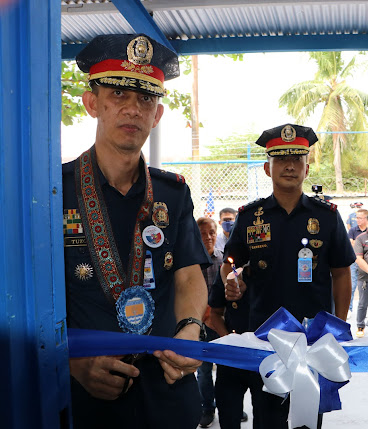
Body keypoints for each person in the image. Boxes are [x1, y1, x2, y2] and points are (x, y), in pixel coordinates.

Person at [63, 34, 210, 429]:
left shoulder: (172, 193)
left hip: (166, 390)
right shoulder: (53, 192)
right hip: (85, 397)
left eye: (146, 98)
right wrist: (72, 362)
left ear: (157, 114)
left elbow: (189, 273)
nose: (132, 108)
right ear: (92, 103)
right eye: (119, 94)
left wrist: (191, 330)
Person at [221, 123, 355, 429]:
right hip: (266, 338)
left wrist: (339, 328)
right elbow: (230, 264)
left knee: (309, 418)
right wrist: (231, 280)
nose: (290, 166)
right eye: (281, 159)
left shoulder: (327, 216)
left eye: (297, 159)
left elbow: (341, 273)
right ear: (267, 169)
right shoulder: (249, 216)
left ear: (307, 168)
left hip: (314, 340)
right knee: (266, 416)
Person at [208, 272, 259, 429]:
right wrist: (228, 338)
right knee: (228, 416)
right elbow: (214, 313)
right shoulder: (228, 273)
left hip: (263, 358)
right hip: (232, 359)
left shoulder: (271, 270)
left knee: (267, 418)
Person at [196, 217, 223, 428]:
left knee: (225, 368)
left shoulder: (223, 262)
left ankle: (229, 406)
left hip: (219, 323)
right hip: (199, 325)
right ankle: (207, 408)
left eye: (212, 232)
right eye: (203, 233)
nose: (208, 237)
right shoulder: (191, 262)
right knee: (203, 370)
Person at [346, 208, 368, 314]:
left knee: (367, 286)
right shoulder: (352, 230)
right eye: (357, 218)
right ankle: (349, 309)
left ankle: (363, 310)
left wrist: (357, 243)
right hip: (354, 260)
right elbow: (351, 244)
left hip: (367, 262)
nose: (357, 220)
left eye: (360, 218)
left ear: (366, 218)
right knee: (352, 284)